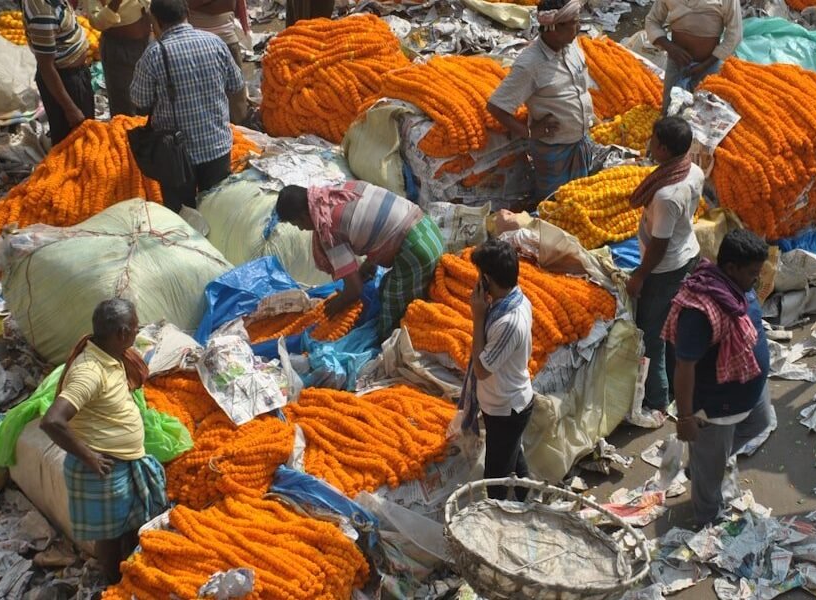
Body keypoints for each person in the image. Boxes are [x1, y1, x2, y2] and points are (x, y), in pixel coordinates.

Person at [39, 299, 167, 583]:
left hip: (124, 463)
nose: (138, 332)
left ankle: (127, 575)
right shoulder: (89, 371)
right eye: (135, 328)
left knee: (127, 528)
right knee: (108, 538)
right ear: (121, 333)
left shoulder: (112, 354)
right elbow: (52, 421)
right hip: (103, 467)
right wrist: (90, 456)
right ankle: (111, 585)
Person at [664, 229, 772, 526]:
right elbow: (684, 367)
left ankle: (701, 462)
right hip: (716, 406)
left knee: (761, 422)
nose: (757, 279)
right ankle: (707, 517)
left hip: (749, 392)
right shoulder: (699, 313)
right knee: (710, 476)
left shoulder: (737, 287)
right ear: (731, 268)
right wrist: (685, 418)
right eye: (752, 273)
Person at [275, 182, 445, 341]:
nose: (301, 229)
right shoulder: (340, 190)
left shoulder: (328, 228)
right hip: (429, 230)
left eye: (297, 224)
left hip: (416, 249)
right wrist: (365, 268)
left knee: (391, 313)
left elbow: (355, 290)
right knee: (388, 286)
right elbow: (375, 228)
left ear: (304, 216)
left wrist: (336, 304)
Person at [130, 0, 243, 213]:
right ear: (187, 13)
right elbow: (236, 84)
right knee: (217, 211)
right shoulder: (215, 43)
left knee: (182, 216)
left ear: (156, 20)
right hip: (217, 146)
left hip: (177, 156)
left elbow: (140, 104)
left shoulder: (153, 55)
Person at [626, 117, 703, 411]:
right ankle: (674, 385)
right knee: (673, 329)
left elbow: (660, 244)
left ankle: (656, 399)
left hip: (665, 270)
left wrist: (640, 275)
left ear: (664, 148)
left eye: (654, 140)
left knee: (652, 336)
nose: (650, 144)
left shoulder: (666, 196)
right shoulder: (692, 170)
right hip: (688, 254)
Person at [487, 0, 596, 203]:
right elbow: (496, 106)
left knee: (579, 200)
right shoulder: (529, 64)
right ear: (554, 28)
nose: (579, 27)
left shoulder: (572, 45)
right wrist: (528, 132)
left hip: (580, 142)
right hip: (554, 149)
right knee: (552, 204)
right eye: (574, 22)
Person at [458, 240, 535, 501]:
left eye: (481, 276)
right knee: (514, 459)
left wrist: (478, 316)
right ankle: (531, 502)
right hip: (502, 404)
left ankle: (499, 521)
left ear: (488, 279)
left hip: (507, 409)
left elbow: (481, 370)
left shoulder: (507, 321)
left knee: (496, 480)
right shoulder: (514, 299)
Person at [644, 0, 741, 114]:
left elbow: (735, 33)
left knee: (701, 117)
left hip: (708, 66)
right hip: (676, 63)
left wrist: (706, 64)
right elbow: (652, 21)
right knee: (669, 114)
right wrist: (670, 47)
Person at [23, 0, 95, 145]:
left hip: (74, 74)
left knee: (86, 135)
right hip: (65, 81)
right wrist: (70, 108)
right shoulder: (43, 13)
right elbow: (46, 67)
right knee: (75, 140)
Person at [81, 0, 152, 117]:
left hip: (147, 43)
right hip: (120, 50)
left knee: (148, 99)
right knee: (125, 107)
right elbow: (97, 22)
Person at [188, 0, 250, 124]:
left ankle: (241, 135)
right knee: (203, 100)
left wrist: (194, 6)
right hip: (196, 44)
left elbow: (228, 5)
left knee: (237, 102)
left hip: (226, 40)